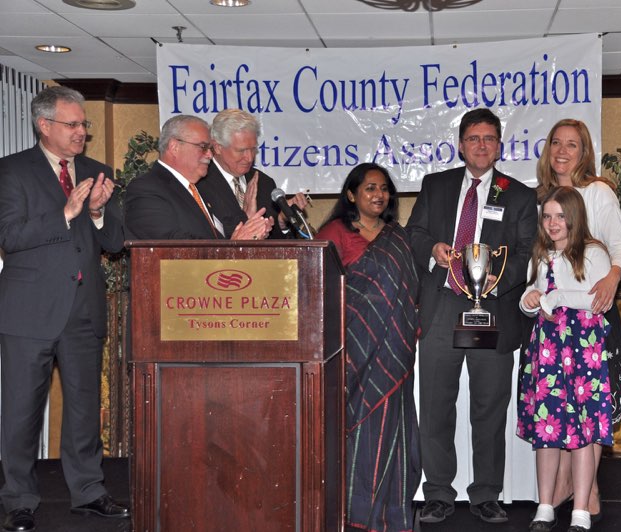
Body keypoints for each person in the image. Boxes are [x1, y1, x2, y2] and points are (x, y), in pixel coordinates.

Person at [0, 86, 129, 532]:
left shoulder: (96, 171)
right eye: (72, 125)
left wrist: (96, 214)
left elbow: (115, 242)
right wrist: (66, 212)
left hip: (82, 310)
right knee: (20, 412)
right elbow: (11, 237)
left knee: (83, 408)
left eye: (84, 125)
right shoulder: (11, 171)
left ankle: (89, 492)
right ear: (45, 125)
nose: (81, 133)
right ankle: (18, 499)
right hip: (28, 312)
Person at [407, 108, 538, 524]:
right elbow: (415, 233)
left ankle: (486, 492)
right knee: (436, 404)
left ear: (499, 146)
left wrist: (494, 281)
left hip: (492, 310)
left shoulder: (516, 194)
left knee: (489, 406)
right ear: (461, 144)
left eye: (489, 139)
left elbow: (525, 254)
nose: (481, 145)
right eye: (473, 138)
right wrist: (434, 251)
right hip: (444, 307)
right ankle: (439, 492)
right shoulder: (436, 185)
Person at [532, 118, 621, 522]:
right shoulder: (542, 196)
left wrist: (610, 279)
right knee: (560, 406)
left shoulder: (598, 192)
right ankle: (566, 490)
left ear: (584, 151)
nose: (562, 151)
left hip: (593, 314)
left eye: (572, 144)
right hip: (554, 323)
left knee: (588, 406)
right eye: (556, 143)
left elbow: (619, 248)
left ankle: (585, 493)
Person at [315, 163, 421, 531]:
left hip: (394, 349)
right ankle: (354, 514)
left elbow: (410, 293)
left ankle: (392, 512)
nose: (379, 195)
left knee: (392, 427)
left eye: (384, 189)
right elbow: (317, 288)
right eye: (370, 188)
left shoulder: (398, 236)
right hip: (351, 350)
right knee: (357, 427)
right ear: (351, 195)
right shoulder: (334, 233)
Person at [518, 186, 613, 532]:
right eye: (547, 216)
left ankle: (581, 509)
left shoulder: (593, 253)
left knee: (582, 431)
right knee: (548, 428)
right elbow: (533, 297)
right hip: (548, 350)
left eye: (560, 216)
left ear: (574, 217)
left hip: (583, 351)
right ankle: (545, 505)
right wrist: (529, 300)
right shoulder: (541, 255)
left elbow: (597, 300)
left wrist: (555, 296)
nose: (553, 223)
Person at [124, 114, 269, 240]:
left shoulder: (198, 188)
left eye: (209, 148)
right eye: (203, 147)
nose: (210, 155)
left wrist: (248, 222)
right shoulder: (146, 189)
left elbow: (220, 234)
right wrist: (235, 248)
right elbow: (171, 246)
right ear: (174, 147)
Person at [196, 108, 308, 239]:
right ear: (217, 147)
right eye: (241, 150)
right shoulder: (199, 184)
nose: (249, 158)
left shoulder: (264, 182)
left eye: (253, 149)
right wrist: (246, 220)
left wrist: (282, 220)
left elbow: (276, 244)